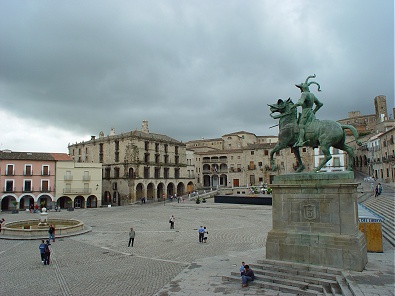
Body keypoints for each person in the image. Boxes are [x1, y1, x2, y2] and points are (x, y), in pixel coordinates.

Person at [291, 74, 323, 147]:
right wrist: (314, 111)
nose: (300, 90)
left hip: (305, 112)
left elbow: (300, 102)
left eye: (300, 88)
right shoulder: (312, 95)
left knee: (301, 126)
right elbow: (320, 104)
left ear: (303, 88)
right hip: (311, 113)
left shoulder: (304, 94)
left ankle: (301, 141)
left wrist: (294, 106)